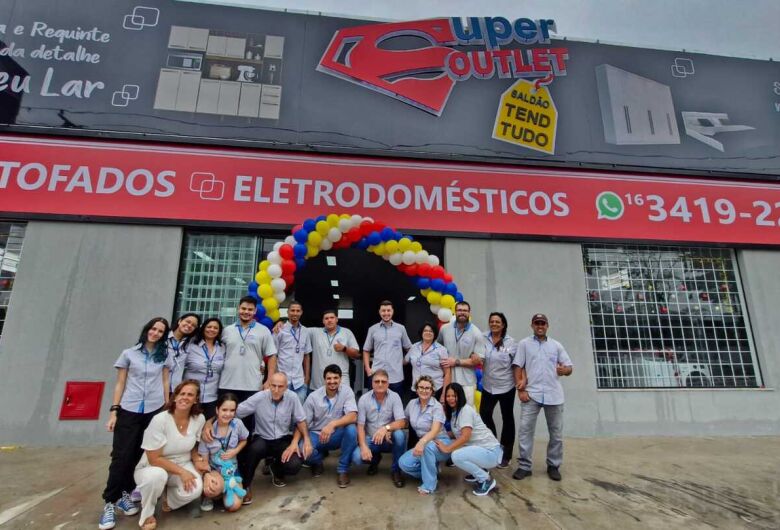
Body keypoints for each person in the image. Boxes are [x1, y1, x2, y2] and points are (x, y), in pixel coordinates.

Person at [99, 317, 171, 530]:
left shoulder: (164, 355)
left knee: (139, 456)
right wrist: (114, 411)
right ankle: (109, 502)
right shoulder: (129, 353)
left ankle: (125, 494)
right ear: (147, 329)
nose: (155, 333)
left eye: (160, 331)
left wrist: (165, 405)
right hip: (129, 410)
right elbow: (120, 382)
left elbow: (165, 380)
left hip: (153, 410)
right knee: (121, 456)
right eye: (153, 328)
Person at [133, 380, 210, 530]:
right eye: (182, 394)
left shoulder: (199, 419)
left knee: (196, 488)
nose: (185, 397)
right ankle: (147, 513)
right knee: (156, 476)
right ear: (174, 397)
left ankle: (168, 499)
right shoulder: (160, 420)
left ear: (196, 400)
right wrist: (182, 472)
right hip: (152, 466)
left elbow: (193, 445)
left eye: (190, 395)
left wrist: (196, 459)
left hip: (183, 462)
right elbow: (154, 459)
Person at [512, 313, 573, 482]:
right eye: (537, 323)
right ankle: (524, 466)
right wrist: (520, 390)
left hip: (554, 395)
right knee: (525, 431)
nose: (540, 326)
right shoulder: (524, 344)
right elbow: (517, 366)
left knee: (556, 434)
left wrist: (564, 371)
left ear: (547, 326)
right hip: (531, 394)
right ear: (532, 325)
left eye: (543, 323)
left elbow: (569, 367)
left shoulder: (556, 346)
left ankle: (553, 465)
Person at [233, 372, 312, 499]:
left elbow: (301, 420)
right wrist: (211, 422)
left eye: (280, 386)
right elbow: (236, 411)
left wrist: (306, 439)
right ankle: (246, 485)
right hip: (263, 438)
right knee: (254, 450)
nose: (276, 390)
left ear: (286, 387)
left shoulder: (292, 397)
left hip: (283, 439)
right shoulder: (259, 397)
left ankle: (275, 467)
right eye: (273, 386)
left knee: (295, 464)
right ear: (269, 385)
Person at [219, 296, 278, 434]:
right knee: (225, 421)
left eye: (250, 309)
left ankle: (244, 455)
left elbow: (272, 356)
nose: (246, 312)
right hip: (227, 383)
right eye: (243, 308)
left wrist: (269, 380)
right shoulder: (227, 330)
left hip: (252, 385)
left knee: (247, 424)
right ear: (238, 309)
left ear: (255, 311)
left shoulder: (263, 331)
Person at [436, 383, 503, 497]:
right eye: (448, 396)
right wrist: (437, 435)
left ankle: (485, 480)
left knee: (456, 456)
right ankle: (481, 471)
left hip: (491, 452)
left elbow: (465, 436)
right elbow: (456, 433)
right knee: (458, 450)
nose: (451, 399)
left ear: (460, 396)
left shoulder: (465, 410)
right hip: (482, 450)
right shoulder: (454, 412)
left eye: (454, 396)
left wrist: (447, 448)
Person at [301, 364, 358, 488]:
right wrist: (304, 440)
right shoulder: (313, 397)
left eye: (335, 378)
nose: (332, 382)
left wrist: (333, 424)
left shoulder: (347, 391)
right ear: (324, 379)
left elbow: (353, 416)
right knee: (303, 450)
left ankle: (342, 470)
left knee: (352, 430)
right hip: (317, 434)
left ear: (340, 379)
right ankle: (318, 461)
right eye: (329, 378)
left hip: (337, 434)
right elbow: (303, 422)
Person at [352, 369, 407, 488]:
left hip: (388, 439)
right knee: (357, 458)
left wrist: (386, 428)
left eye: (383, 381)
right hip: (371, 439)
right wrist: (363, 446)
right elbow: (360, 426)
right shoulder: (364, 399)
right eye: (377, 381)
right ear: (372, 383)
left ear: (388, 383)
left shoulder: (395, 397)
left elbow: (402, 422)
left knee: (400, 436)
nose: (380, 384)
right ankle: (374, 459)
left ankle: (396, 470)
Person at [398, 375, 451, 495]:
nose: (424, 390)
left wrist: (421, 442)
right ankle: (432, 470)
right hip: (424, 443)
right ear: (416, 389)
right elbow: (404, 421)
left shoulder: (437, 406)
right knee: (404, 463)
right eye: (421, 387)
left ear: (432, 391)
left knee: (427, 448)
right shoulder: (412, 404)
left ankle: (429, 485)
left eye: (427, 388)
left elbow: (435, 430)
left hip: (440, 442)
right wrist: (389, 429)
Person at [197, 393, 249, 512]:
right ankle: (210, 495)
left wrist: (236, 450)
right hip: (215, 470)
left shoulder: (237, 424)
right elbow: (204, 460)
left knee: (233, 506)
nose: (228, 414)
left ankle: (223, 493)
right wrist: (207, 477)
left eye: (232, 410)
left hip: (232, 470)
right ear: (217, 410)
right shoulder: (208, 431)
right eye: (224, 410)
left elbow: (244, 440)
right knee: (213, 488)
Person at [479, 312, 518, 468]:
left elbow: (517, 364)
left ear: (503, 325)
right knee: (485, 415)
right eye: (492, 321)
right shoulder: (482, 338)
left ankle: (506, 454)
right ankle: (494, 445)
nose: (494, 324)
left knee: (507, 418)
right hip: (488, 386)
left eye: (497, 322)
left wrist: (521, 382)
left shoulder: (512, 342)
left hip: (506, 386)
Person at [438, 301, 485, 406]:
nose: (462, 313)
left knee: (467, 410)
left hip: (467, 381)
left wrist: (456, 362)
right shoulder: (444, 329)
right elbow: (437, 348)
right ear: (455, 312)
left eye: (465, 311)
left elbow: (479, 360)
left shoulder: (476, 333)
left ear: (469, 313)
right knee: (449, 412)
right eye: (459, 310)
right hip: (448, 379)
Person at [362, 300, 412, 396]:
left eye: (388, 310)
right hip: (376, 375)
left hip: (396, 376)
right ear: (379, 312)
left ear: (392, 311)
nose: (386, 313)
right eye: (383, 311)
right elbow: (366, 350)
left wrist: (405, 361)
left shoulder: (401, 328)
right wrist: (368, 369)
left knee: (395, 406)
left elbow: (409, 348)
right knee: (373, 405)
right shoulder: (372, 329)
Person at [182, 318, 225, 419]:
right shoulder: (191, 345)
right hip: (191, 396)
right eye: (209, 327)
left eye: (215, 328)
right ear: (203, 328)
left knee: (207, 428)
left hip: (212, 397)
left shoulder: (222, 347)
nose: (212, 329)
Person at [309, 309, 360, 392]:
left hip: (341, 381)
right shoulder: (315, 332)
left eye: (332, 317)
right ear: (323, 321)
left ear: (337, 319)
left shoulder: (347, 332)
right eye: (326, 318)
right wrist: (281, 323)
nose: (329, 320)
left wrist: (344, 349)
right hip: (319, 382)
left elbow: (356, 354)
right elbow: (298, 329)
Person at [273, 301, 312, 403]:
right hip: (281, 380)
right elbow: (273, 355)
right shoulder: (279, 330)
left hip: (299, 381)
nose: (295, 313)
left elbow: (307, 355)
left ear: (301, 312)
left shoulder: (305, 331)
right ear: (288, 312)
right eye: (292, 310)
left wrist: (307, 378)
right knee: (281, 412)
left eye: (297, 311)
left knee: (298, 415)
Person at [404, 322, 451, 402]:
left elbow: (447, 373)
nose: (428, 333)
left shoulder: (441, 350)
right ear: (421, 333)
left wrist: (444, 394)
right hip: (416, 389)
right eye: (425, 331)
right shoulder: (414, 347)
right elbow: (404, 361)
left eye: (431, 331)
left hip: (435, 390)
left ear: (435, 334)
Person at [166, 313, 200, 393]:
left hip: (175, 389)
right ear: (180, 321)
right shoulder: (163, 337)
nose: (189, 325)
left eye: (193, 325)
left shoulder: (190, 344)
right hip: (157, 387)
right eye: (188, 321)